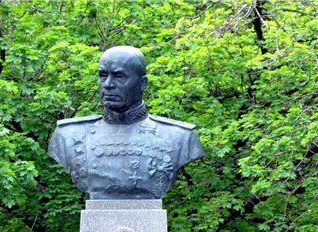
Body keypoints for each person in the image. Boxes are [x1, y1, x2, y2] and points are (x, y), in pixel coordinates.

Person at [48, 46, 204, 200]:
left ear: (143, 83)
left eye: (119, 76)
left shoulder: (179, 137)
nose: (108, 84)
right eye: (103, 75)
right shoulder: (68, 135)